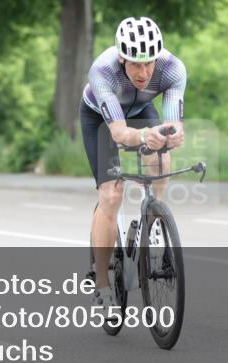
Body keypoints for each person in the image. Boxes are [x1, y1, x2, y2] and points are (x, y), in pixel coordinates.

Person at [80, 16, 186, 310]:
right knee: (112, 195)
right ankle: (102, 284)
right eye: (136, 65)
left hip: (141, 110)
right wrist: (142, 136)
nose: (143, 72)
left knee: (162, 159)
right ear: (122, 58)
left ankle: (153, 219)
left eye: (149, 63)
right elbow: (118, 132)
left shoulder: (173, 69)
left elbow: (173, 122)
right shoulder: (103, 71)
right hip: (99, 120)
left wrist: (172, 134)